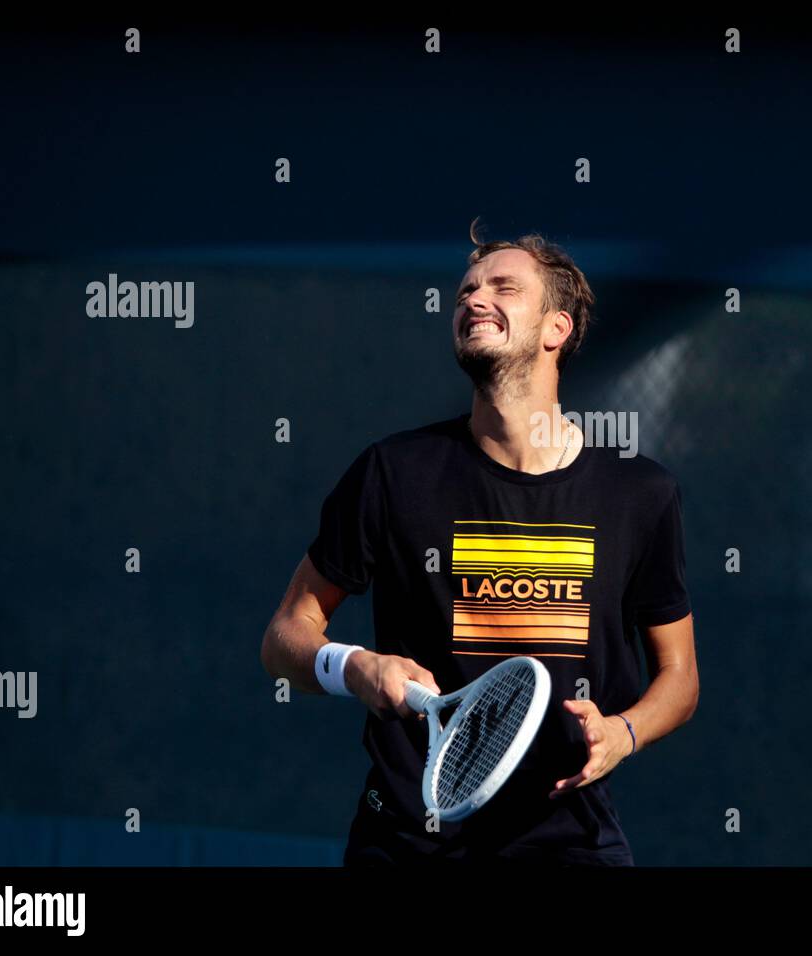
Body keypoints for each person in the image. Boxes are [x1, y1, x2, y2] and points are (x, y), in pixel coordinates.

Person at [260, 221, 699, 865]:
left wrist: (623, 734)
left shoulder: (641, 493)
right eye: (466, 290)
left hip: (569, 844)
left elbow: (680, 678)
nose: (472, 299)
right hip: (408, 843)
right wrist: (354, 665)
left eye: (503, 287)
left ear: (558, 328)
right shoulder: (393, 472)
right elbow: (284, 636)